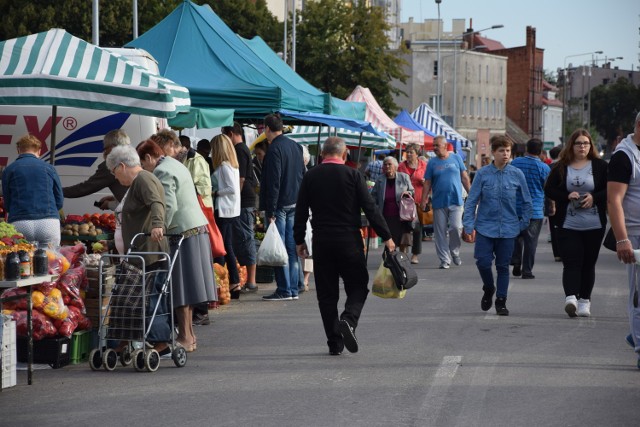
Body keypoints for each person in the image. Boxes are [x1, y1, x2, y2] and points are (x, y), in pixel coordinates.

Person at [294, 137, 395, 355]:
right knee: (358, 285)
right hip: (349, 240)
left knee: (327, 295)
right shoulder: (353, 175)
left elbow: (300, 211)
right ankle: (348, 319)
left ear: (321, 154)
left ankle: (335, 343)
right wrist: (387, 236)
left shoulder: (310, 176)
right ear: (345, 153)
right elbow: (370, 208)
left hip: (322, 241)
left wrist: (299, 240)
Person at [137, 139, 216, 352]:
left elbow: (168, 205)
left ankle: (185, 337)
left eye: (143, 164)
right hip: (197, 228)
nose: (144, 169)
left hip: (182, 231)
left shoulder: (161, 171)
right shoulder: (175, 164)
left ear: (148, 157)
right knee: (187, 287)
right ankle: (189, 336)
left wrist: (159, 227)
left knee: (179, 287)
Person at [105, 145, 171, 353]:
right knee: (129, 299)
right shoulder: (136, 183)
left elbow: (157, 202)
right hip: (138, 253)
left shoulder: (144, 179)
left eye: (114, 172)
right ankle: (123, 341)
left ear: (122, 166)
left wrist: (157, 224)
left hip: (150, 253)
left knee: (150, 299)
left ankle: (161, 343)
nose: (115, 178)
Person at [462, 135, 532, 316]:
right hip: (485, 227)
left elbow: (527, 202)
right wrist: (468, 225)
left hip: (509, 229)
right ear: (493, 152)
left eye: (508, 150)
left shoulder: (517, 174)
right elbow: (471, 201)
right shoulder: (482, 174)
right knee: (483, 262)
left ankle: (501, 300)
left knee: (502, 267)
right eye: (501, 150)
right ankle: (488, 287)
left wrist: (522, 224)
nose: (505, 154)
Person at [544, 129, 608, 318]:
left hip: (594, 224)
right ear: (571, 146)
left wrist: (593, 198)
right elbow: (549, 189)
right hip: (568, 223)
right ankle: (571, 297)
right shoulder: (561, 166)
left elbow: (609, 190)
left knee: (588, 264)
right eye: (578, 143)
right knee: (571, 261)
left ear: (591, 146)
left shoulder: (600, 166)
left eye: (586, 143)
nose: (582, 147)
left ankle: (584, 301)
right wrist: (566, 195)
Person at [260, 114, 305, 301]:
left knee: (280, 249)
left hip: (280, 205)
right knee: (291, 247)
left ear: (267, 129)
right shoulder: (295, 146)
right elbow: (303, 175)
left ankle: (284, 289)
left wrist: (270, 211)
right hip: (295, 202)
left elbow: (273, 182)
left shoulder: (274, 149)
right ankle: (293, 288)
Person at [607, 112, 640, 368]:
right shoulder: (624, 156)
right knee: (639, 295)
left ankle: (635, 334)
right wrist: (622, 240)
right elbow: (614, 200)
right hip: (636, 234)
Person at [2, 134, 63, 246]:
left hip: (20, 222)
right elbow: (59, 201)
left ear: (18, 149)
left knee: (22, 261)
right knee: (51, 261)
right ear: (39, 151)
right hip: (48, 222)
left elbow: (7, 204)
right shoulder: (49, 169)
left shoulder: (9, 170)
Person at [420, 136, 471, 269]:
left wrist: (471, 194)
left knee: (455, 227)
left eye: (437, 145)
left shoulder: (456, 158)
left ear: (445, 145)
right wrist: (424, 199)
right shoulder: (432, 162)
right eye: (434, 145)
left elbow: (464, 177)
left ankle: (454, 252)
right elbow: (427, 182)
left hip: (456, 200)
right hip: (439, 201)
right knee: (440, 232)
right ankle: (444, 259)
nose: (435, 148)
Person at [222, 122, 258, 294]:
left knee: (246, 238)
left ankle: (251, 280)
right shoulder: (242, 149)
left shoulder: (240, 149)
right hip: (244, 200)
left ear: (230, 133)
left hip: (243, 201)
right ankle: (249, 280)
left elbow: (241, 178)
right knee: (243, 238)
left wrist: (234, 199)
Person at [510, 138, 551, 279]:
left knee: (515, 236)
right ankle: (527, 271)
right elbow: (548, 189)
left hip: (516, 207)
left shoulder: (515, 163)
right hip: (535, 210)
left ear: (526, 148)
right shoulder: (544, 168)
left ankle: (516, 260)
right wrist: (551, 206)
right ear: (540, 152)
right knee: (531, 241)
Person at [63, 129, 130, 210]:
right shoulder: (134, 161)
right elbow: (131, 194)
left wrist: (58, 191)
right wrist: (115, 198)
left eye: (105, 148)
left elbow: (85, 188)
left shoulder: (111, 165)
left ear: (112, 147)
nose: (104, 152)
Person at [211, 134, 243, 299]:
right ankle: (232, 283)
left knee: (223, 247)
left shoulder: (224, 166)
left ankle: (226, 282)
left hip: (224, 210)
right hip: (231, 210)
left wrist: (215, 192)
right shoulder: (232, 166)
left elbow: (231, 189)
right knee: (227, 246)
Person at [371, 156, 414, 253]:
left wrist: (408, 193)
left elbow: (412, 190)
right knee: (389, 239)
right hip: (386, 215)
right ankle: (390, 262)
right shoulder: (380, 180)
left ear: (395, 166)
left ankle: (402, 261)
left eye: (389, 164)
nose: (387, 166)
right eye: (385, 164)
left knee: (403, 240)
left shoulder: (404, 177)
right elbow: (373, 196)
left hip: (402, 215)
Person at [398, 144, 427, 264]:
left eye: (411, 152)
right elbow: (397, 181)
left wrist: (425, 182)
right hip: (405, 201)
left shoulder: (424, 165)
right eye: (407, 152)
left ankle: (415, 255)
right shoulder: (401, 166)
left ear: (417, 153)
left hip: (419, 200)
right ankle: (403, 252)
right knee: (404, 227)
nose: (408, 154)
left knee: (417, 229)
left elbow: (431, 181)